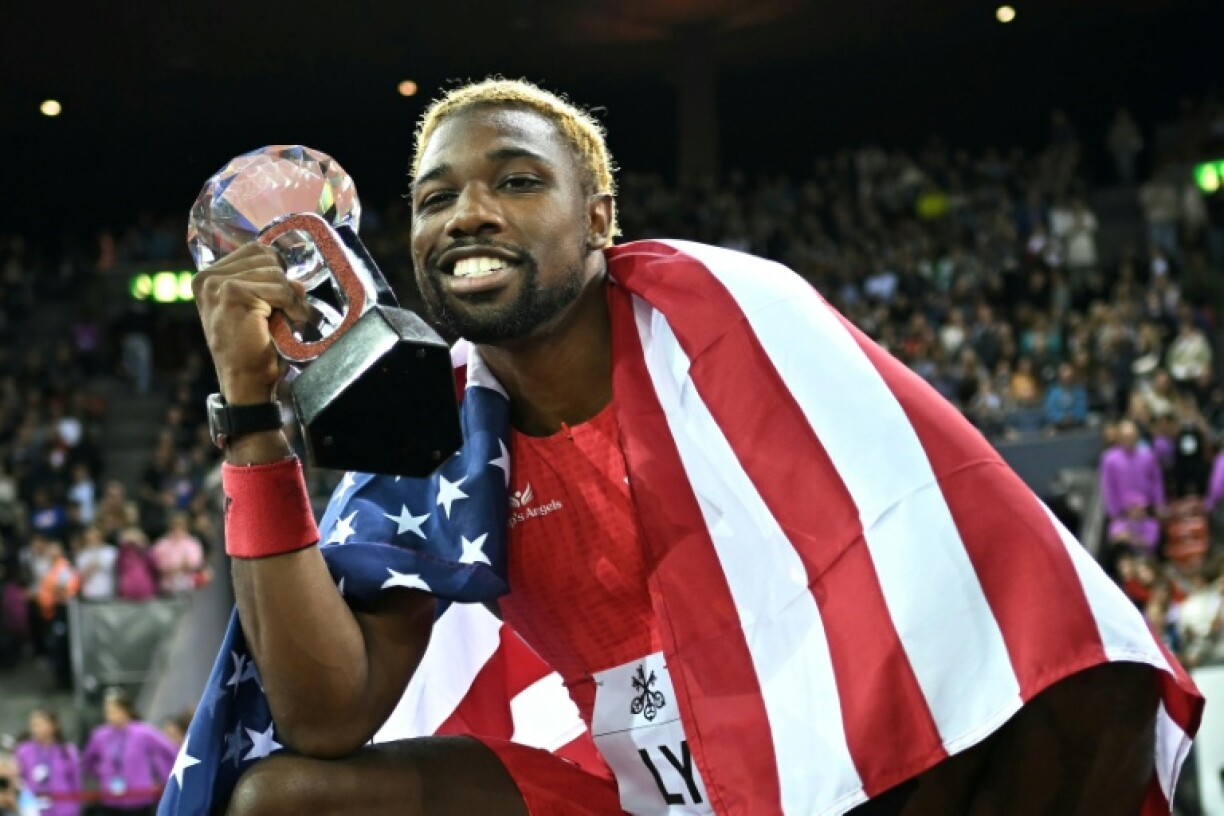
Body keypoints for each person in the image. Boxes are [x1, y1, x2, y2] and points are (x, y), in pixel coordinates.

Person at [174, 79, 1200, 815]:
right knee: (284, 799)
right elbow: (325, 713)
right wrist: (256, 416)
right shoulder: (440, 426)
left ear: (601, 218)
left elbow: (949, 576)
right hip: (636, 789)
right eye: (437, 197)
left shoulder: (732, 318)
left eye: (518, 181)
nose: (469, 212)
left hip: (846, 752)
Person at [83, 689, 177, 816]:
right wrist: (102, 772)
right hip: (110, 801)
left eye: (115, 711)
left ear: (126, 710)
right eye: (108, 712)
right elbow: (88, 761)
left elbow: (170, 751)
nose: (111, 716)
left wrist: (164, 778)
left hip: (140, 800)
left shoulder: (144, 732)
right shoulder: (100, 735)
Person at [14, 708, 82, 816]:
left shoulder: (68, 752)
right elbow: (17, 781)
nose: (36, 728)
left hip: (63, 810)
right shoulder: (23, 751)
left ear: (53, 726)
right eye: (34, 725)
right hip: (33, 810)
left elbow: (76, 785)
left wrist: (75, 808)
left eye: (40, 724)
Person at [1100, 419, 1167, 524]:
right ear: (1120, 438)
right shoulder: (1110, 459)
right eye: (1126, 437)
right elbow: (1108, 486)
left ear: (1136, 437)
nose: (1129, 440)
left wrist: (1159, 503)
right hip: (1122, 513)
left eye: (1131, 436)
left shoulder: (1148, 456)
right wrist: (1113, 512)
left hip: (1146, 510)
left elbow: (1156, 481)